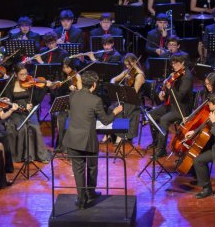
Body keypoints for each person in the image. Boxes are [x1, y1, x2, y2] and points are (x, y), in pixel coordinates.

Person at [63, 70, 123, 208]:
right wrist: (115, 112)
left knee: (78, 170)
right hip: (87, 140)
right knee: (92, 167)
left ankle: (81, 199)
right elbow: (106, 121)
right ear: (94, 85)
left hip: (72, 139)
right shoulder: (96, 100)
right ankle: (90, 193)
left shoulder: (73, 95)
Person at [184, 92, 215, 198]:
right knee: (195, 152)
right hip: (213, 144)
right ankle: (201, 178)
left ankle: (207, 189)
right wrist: (194, 132)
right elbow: (206, 125)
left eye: (210, 103)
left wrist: (214, 122)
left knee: (198, 160)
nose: (208, 104)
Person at [1, 63, 52, 163]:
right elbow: (9, 103)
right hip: (16, 112)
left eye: (25, 74)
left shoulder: (30, 84)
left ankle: (39, 155)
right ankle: (25, 156)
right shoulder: (10, 86)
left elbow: (37, 100)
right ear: (15, 74)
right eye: (21, 74)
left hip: (29, 111)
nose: (24, 76)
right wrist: (21, 106)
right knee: (23, 128)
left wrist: (45, 87)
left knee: (35, 128)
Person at [149, 54, 194, 158]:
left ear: (183, 63)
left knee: (164, 120)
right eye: (172, 64)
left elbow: (180, 97)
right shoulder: (176, 74)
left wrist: (171, 88)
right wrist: (163, 93)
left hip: (181, 108)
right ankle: (157, 142)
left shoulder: (187, 77)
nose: (173, 66)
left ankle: (161, 150)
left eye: (175, 63)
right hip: (171, 105)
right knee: (151, 115)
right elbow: (170, 93)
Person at [109, 53, 145, 143]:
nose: (127, 67)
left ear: (134, 62)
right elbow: (113, 79)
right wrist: (113, 84)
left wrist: (128, 81)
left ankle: (120, 137)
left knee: (121, 111)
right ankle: (109, 134)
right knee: (111, 108)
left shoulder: (139, 75)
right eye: (126, 65)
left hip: (134, 101)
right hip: (125, 99)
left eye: (129, 64)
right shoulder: (127, 72)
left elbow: (134, 92)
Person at [50, 58, 82, 153]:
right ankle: (61, 145)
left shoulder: (77, 76)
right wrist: (55, 85)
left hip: (74, 104)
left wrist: (74, 89)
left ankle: (70, 146)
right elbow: (53, 89)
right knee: (61, 118)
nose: (66, 70)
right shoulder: (61, 76)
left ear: (71, 66)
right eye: (64, 68)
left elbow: (81, 92)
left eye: (67, 67)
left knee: (70, 119)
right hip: (63, 103)